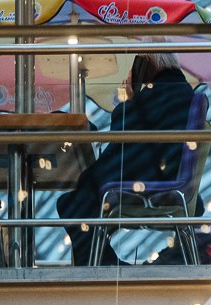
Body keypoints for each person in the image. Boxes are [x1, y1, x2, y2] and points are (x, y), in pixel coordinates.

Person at [58, 52, 203, 267]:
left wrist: (129, 100)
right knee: (81, 197)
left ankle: (100, 264)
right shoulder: (180, 93)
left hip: (151, 181)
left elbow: (124, 135)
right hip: (168, 178)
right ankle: (103, 262)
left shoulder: (159, 94)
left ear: (146, 63)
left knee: (74, 202)